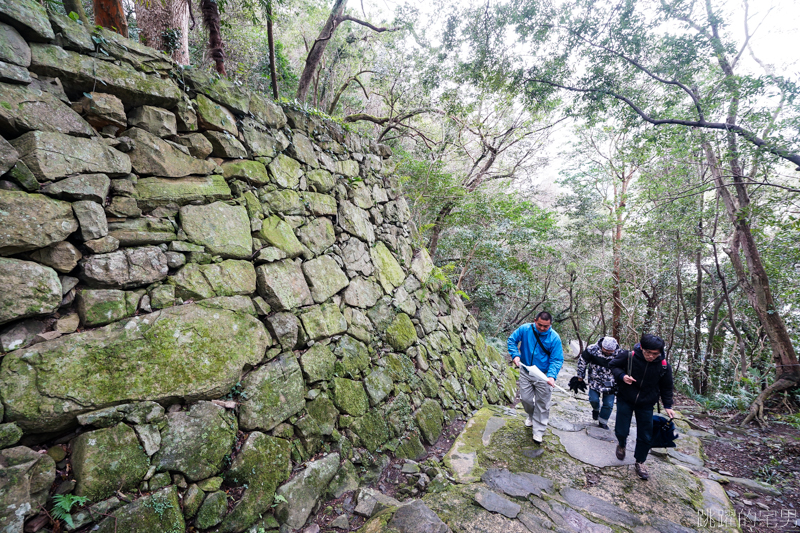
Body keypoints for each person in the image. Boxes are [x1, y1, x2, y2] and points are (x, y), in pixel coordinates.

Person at [609, 333, 676, 480]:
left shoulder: (663, 366)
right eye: (648, 352)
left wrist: (668, 405)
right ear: (641, 347)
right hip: (625, 398)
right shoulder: (629, 356)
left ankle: (640, 461)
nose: (651, 356)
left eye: (655, 354)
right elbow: (613, 365)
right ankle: (621, 444)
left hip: (646, 403)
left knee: (645, 435)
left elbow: (666, 386)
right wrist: (622, 376)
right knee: (621, 429)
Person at [507, 311, 564, 444]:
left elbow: (556, 359)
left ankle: (538, 431)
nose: (543, 328)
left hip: (543, 375)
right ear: (534, 320)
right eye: (540, 325)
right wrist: (515, 355)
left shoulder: (554, 338)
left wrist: (551, 376)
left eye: (546, 326)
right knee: (525, 399)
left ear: (550, 325)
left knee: (542, 404)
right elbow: (512, 340)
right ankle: (531, 416)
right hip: (526, 370)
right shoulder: (525, 329)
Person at [576, 336, 622, 430]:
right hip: (595, 380)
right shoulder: (592, 349)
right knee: (593, 399)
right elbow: (582, 361)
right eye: (606, 350)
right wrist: (580, 376)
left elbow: (624, 367)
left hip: (611, 382)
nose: (608, 352)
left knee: (608, 404)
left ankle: (603, 421)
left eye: (611, 351)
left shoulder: (620, 353)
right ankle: (596, 409)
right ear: (602, 345)